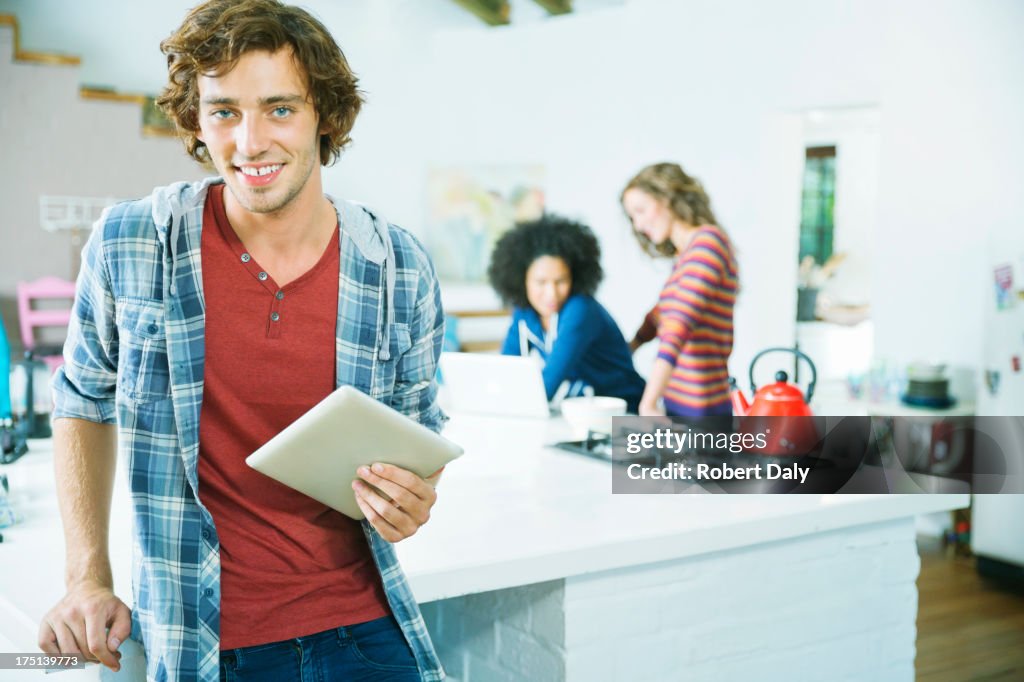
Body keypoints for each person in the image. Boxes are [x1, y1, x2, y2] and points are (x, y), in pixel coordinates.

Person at [38, 1, 447, 680]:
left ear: (326, 116)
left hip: (364, 631)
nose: (250, 142)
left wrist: (412, 497)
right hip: (200, 641)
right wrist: (86, 576)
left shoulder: (399, 265)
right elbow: (83, 401)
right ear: (198, 119)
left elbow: (417, 437)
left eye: (280, 108)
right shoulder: (132, 243)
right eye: (225, 111)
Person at [487, 214, 646, 412]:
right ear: (521, 280)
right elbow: (507, 371)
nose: (551, 294)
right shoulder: (524, 312)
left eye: (561, 281)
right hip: (582, 415)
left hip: (626, 414)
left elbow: (548, 384)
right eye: (541, 282)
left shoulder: (581, 310)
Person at [621, 163, 739, 418]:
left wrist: (648, 404)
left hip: (703, 412)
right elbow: (660, 315)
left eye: (641, 211)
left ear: (668, 197)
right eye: (632, 217)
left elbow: (678, 325)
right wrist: (629, 347)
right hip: (678, 406)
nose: (639, 225)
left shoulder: (709, 244)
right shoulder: (686, 255)